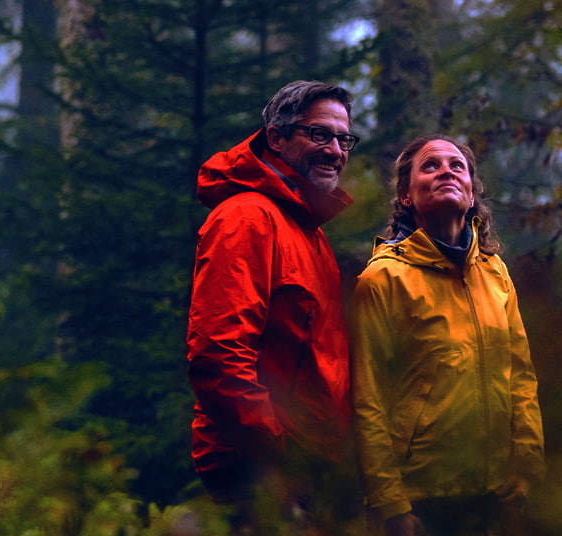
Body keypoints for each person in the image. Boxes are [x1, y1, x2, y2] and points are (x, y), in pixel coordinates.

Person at [186, 80, 359, 533]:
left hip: (306, 469)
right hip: (259, 470)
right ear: (276, 138)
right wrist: (280, 455)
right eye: (319, 135)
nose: (334, 150)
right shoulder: (247, 217)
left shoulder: (309, 231)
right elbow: (217, 358)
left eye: (343, 139)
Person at [350, 135, 545, 536]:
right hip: (422, 499)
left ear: (472, 194)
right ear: (405, 196)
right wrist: (390, 503)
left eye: (457, 165)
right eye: (430, 165)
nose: (446, 171)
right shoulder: (382, 279)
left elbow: (521, 380)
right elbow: (368, 398)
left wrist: (527, 472)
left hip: (499, 494)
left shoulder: (495, 274)